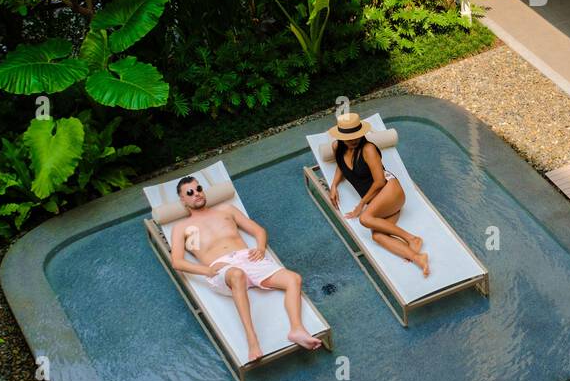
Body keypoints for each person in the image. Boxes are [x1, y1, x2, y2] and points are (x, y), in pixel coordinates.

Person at [169, 176, 322, 364]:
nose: (197, 194)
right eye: (190, 193)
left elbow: (259, 231)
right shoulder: (181, 228)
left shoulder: (226, 210)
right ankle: (252, 340)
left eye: (198, 188)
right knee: (237, 274)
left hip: (247, 259)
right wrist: (206, 270)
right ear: (183, 200)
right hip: (221, 270)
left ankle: (297, 330)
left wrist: (260, 248)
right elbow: (177, 262)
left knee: (293, 279)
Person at [326, 113, 429, 277]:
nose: (354, 140)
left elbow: (380, 182)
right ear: (341, 137)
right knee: (378, 236)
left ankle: (412, 238)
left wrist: (361, 205)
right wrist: (333, 185)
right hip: (382, 205)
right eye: (349, 137)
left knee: (365, 219)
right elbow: (341, 166)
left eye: (357, 136)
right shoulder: (336, 147)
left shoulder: (368, 149)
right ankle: (418, 258)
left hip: (390, 191)